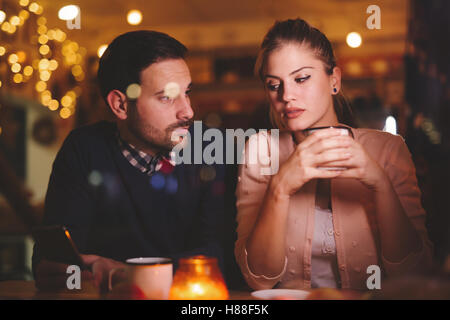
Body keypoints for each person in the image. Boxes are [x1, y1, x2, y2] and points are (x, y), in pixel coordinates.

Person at [234, 18, 433, 290]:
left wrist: (381, 184)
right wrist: (279, 187)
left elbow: (415, 272)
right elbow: (259, 280)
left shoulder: (388, 149)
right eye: (273, 84)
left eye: (301, 78)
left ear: (334, 80)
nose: (287, 95)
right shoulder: (260, 149)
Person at [33, 30, 227, 292]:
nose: (188, 111)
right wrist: (77, 275)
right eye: (167, 97)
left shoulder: (208, 147)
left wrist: (124, 274)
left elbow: (219, 259)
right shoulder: (84, 149)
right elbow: (51, 266)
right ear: (120, 105)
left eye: (187, 92)